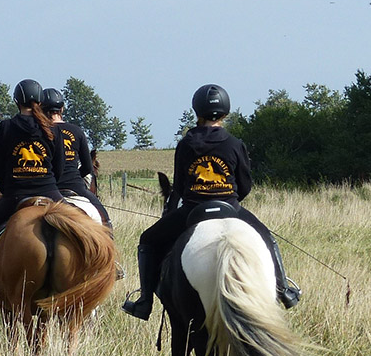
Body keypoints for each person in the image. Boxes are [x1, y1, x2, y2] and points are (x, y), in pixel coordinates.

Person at [121, 84, 301, 320]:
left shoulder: (186, 144)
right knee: (267, 238)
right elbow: (245, 186)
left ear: (197, 112)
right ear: (225, 113)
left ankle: (144, 301)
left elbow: (182, 185)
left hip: (192, 210)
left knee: (147, 240)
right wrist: (228, 199)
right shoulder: (235, 144)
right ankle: (283, 290)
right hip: (231, 209)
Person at [0, 79, 67, 307]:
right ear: (40, 101)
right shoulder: (53, 129)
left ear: (16, 101)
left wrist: (8, 190)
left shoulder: (6, 127)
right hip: (51, 193)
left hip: (16, 195)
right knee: (88, 228)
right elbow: (60, 168)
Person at [42, 87, 110, 226]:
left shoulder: (40, 132)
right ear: (62, 110)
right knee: (105, 220)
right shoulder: (77, 131)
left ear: (42, 110)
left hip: (46, 187)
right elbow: (87, 167)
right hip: (75, 186)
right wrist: (75, 176)